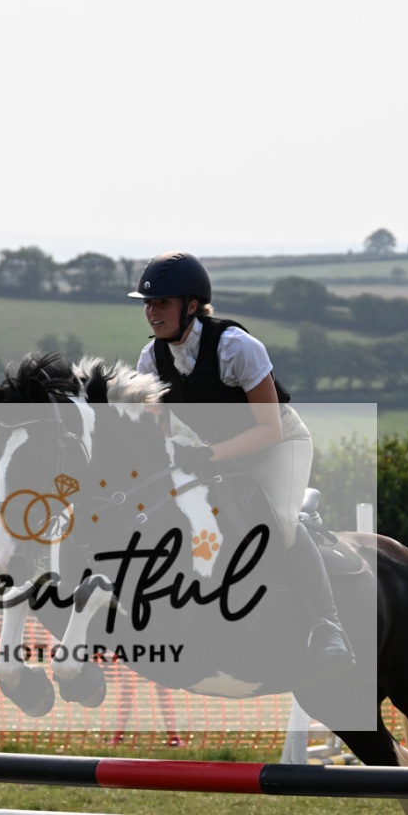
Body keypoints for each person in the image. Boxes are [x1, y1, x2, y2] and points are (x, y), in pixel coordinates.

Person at [128, 250, 356, 675]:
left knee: (280, 523)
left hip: (277, 444)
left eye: (162, 303)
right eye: (148, 303)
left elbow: (269, 429)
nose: (152, 312)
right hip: (219, 453)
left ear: (191, 306)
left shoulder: (236, 347)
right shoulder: (150, 360)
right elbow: (156, 434)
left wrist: (206, 455)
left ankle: (328, 624)